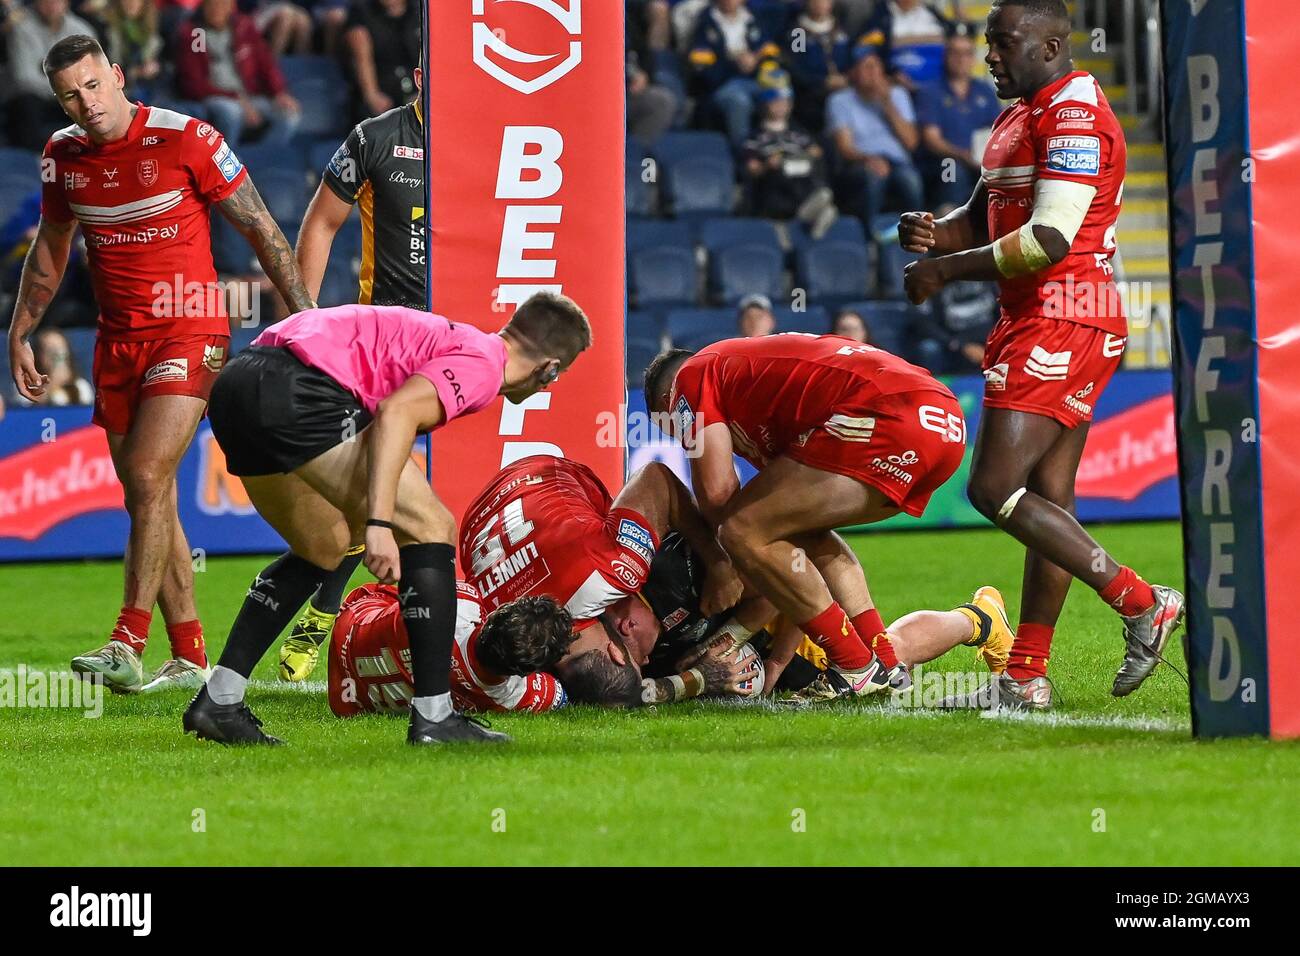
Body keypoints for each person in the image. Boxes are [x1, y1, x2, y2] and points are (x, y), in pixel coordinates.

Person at [898, 0, 1185, 711]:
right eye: (989, 42)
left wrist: (948, 271)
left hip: (1065, 316)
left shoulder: (1076, 112)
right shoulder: (1018, 114)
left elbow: (1051, 237)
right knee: (1048, 501)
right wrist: (936, 236)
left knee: (993, 491)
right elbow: (983, 217)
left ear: (1053, 44)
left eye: (1003, 43)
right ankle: (1025, 675)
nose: (989, 55)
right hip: (1039, 317)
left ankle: (1142, 600)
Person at [7, 34, 313, 695]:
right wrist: (20, 330)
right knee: (152, 495)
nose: (85, 104)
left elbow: (260, 227)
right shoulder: (61, 158)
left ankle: (127, 639)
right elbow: (52, 252)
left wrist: (309, 319)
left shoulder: (187, 138)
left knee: (147, 473)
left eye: (93, 86)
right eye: (69, 95)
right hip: (117, 342)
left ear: (117, 77)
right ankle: (190, 654)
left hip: (192, 326)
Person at [181, 293, 592, 746]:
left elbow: (377, 415)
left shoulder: (451, 340)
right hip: (300, 389)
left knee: (323, 546)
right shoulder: (484, 363)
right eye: (560, 376)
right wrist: (379, 524)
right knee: (432, 528)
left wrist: (368, 520)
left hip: (242, 382)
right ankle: (435, 718)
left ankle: (220, 699)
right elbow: (396, 412)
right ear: (549, 368)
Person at [644, 333, 968, 700]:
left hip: (888, 413)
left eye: (669, 425)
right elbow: (798, 552)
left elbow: (718, 495)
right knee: (795, 531)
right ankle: (884, 661)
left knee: (739, 528)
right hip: (944, 423)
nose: (679, 438)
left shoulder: (690, 377)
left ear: (666, 403)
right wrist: (777, 657)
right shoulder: (759, 397)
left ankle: (856, 665)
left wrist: (720, 566)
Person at [273, 68, 429, 683]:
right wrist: (303, 318)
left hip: (461, 340)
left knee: (402, 493)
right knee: (374, 485)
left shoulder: (492, 141)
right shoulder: (375, 137)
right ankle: (326, 609)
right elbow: (320, 224)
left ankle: (427, 625)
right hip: (385, 342)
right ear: (419, 74)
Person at [457, 455, 749, 703]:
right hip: (474, 526)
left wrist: (718, 562)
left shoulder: (614, 571)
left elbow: (656, 477)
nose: (647, 661)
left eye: (639, 664)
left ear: (616, 653)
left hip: (542, 474)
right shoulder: (522, 653)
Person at [328, 581, 574, 717]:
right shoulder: (513, 696)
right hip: (350, 702)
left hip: (352, 625)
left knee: (418, 585)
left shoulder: (458, 604)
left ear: (493, 616)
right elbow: (561, 693)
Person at [173, 0, 301, 146]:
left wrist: (279, 92)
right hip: (214, 95)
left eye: (222, 4)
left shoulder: (243, 27)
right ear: (204, 6)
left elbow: (266, 63)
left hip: (249, 96)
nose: (216, 9)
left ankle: (264, 158)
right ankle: (225, 162)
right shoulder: (196, 33)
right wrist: (236, 99)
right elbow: (194, 84)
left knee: (288, 114)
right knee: (231, 113)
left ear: (231, 6)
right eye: (212, 5)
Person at [826, 43, 923, 227]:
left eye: (876, 66)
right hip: (861, 162)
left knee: (911, 181)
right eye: (866, 67)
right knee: (874, 179)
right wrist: (869, 159)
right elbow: (845, 148)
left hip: (899, 162)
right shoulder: (839, 100)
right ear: (853, 73)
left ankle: (918, 232)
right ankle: (870, 236)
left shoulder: (897, 94)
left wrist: (887, 103)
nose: (873, 73)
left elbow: (911, 143)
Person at [740, 71, 838, 237]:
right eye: (775, 101)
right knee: (779, 173)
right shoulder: (755, 138)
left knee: (817, 165)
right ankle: (811, 214)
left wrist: (812, 154)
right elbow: (752, 168)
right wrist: (767, 165)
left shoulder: (798, 135)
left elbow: (816, 151)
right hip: (774, 192)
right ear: (765, 104)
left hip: (802, 180)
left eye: (784, 101)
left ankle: (812, 209)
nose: (780, 105)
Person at [915, 24, 1001, 208]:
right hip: (942, 161)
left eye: (966, 53)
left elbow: (998, 132)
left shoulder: (985, 91)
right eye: (955, 53)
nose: (960, 59)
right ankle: (948, 214)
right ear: (946, 56)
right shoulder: (930, 91)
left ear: (973, 58)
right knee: (952, 168)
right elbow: (932, 140)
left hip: (979, 160)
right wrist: (963, 155)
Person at [4, 0, 98, 151]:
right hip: (36, 97)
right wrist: (65, 89)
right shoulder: (21, 29)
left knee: (93, 101)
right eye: (46, 1)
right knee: (26, 104)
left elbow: (92, 74)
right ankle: (39, 160)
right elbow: (24, 79)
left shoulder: (82, 31)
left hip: (71, 95)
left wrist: (69, 91)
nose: (52, 4)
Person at [687, 0, 781, 147]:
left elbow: (770, 53)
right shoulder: (705, 21)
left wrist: (755, 62)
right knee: (739, 100)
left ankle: (779, 145)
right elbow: (702, 68)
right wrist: (735, 64)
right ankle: (743, 152)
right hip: (721, 85)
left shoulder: (753, 18)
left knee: (780, 90)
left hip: (755, 79)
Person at [342, 0, 421, 121]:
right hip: (380, 89)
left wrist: (423, 94)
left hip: (416, 89)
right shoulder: (361, 11)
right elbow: (361, 57)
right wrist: (372, 94)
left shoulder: (421, 10)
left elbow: (433, 57)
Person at [785, 0, 851, 133]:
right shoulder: (799, 32)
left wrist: (847, 78)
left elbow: (852, 57)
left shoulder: (841, 26)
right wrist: (823, 82)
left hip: (845, 85)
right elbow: (796, 68)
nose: (820, 4)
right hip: (814, 93)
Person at [855, 0, 950, 90]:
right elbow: (863, 52)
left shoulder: (932, 15)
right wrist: (891, 73)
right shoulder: (879, 18)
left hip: (939, 88)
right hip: (895, 88)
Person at [96, 0, 163, 101]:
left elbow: (163, 58)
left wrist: (155, 66)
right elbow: (104, 67)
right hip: (119, 87)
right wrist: (133, 73)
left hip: (149, 84)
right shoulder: (105, 27)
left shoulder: (153, 25)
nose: (131, 3)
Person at [12, 328, 92, 406]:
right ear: (37, 355)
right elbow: (25, 415)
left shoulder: (80, 385)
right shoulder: (25, 385)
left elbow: (84, 414)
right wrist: (52, 385)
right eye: (50, 352)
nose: (55, 359)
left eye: (60, 352)